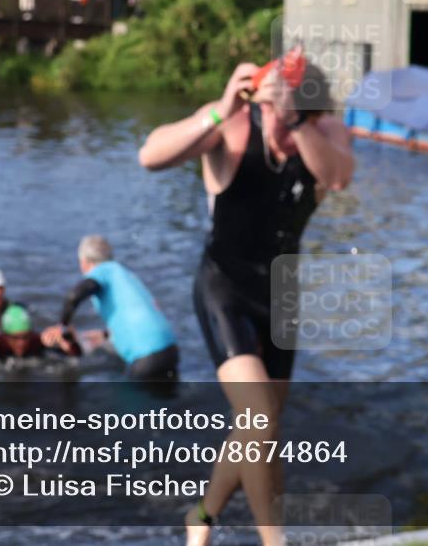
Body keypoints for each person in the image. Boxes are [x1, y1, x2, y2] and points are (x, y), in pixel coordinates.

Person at [138, 48, 354, 546]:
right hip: (224, 286)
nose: (271, 123)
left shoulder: (323, 134)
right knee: (258, 415)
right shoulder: (231, 129)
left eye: (285, 112)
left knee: (263, 428)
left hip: (280, 294)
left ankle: (201, 519)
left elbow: (338, 176)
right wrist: (219, 108)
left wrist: (296, 123)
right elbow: (149, 156)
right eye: (266, 108)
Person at [57, 235, 177, 379]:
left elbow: (73, 296)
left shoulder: (102, 271)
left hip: (146, 355)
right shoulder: (125, 274)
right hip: (170, 348)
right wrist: (106, 335)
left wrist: (64, 327)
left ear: (84, 262)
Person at [0, 303, 81, 364]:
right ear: (5, 336)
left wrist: (67, 341)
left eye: (25, 337)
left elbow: (75, 357)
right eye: (15, 338)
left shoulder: (36, 341)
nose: (21, 343)